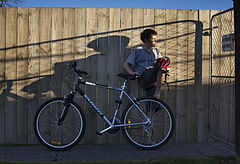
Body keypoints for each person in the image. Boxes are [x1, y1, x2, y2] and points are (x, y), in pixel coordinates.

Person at [123, 28, 164, 99]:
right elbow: (125, 65)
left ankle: (152, 107)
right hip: (143, 77)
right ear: (146, 40)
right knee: (159, 69)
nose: (156, 41)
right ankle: (158, 93)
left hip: (153, 78)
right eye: (153, 39)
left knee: (152, 100)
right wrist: (132, 73)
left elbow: (161, 63)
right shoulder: (138, 51)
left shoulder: (156, 51)